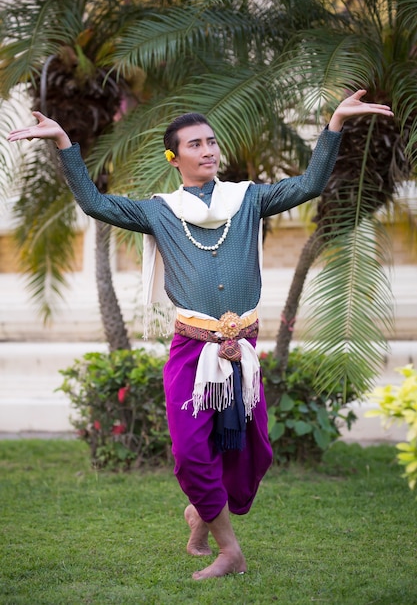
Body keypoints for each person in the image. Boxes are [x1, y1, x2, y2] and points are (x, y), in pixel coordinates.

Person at [7, 90, 394, 580]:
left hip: (243, 351)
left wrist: (336, 122)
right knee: (191, 450)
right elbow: (93, 203)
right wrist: (63, 140)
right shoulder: (158, 211)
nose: (209, 150)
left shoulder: (248, 199)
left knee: (247, 451)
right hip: (192, 351)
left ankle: (201, 514)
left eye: (212, 142)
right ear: (175, 158)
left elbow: (312, 183)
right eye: (196, 144)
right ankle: (230, 551)